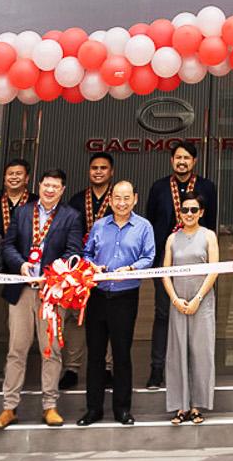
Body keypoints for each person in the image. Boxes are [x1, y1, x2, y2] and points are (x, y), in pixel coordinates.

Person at [0, 168, 81, 429]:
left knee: (50, 350)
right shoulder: (22, 212)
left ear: (62, 190)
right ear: (39, 186)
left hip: (51, 292)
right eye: (46, 185)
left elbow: (73, 252)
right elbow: (8, 245)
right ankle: (9, 408)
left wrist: (51, 274)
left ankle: (50, 406)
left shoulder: (71, 216)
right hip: (22, 290)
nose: (50, 190)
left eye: (55, 186)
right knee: (16, 349)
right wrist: (20, 264)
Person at [79, 179, 155, 426]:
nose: (122, 203)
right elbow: (86, 254)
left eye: (126, 198)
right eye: (117, 198)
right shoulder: (99, 225)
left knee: (122, 354)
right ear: (110, 200)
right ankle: (93, 409)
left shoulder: (144, 226)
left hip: (125, 296)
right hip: (98, 295)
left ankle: (122, 409)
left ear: (135, 199)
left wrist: (131, 269)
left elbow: (149, 257)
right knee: (95, 354)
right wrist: (92, 266)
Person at [141, 141, 204, 390]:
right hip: (165, 260)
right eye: (178, 157)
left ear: (194, 161)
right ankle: (157, 370)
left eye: (187, 158)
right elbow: (151, 222)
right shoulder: (159, 187)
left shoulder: (206, 187)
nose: (182, 162)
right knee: (163, 314)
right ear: (172, 160)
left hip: (196, 261)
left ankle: (191, 371)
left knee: (194, 315)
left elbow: (211, 222)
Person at [160, 192, 219, 423]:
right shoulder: (172, 239)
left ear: (201, 212)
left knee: (201, 351)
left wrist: (198, 298)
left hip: (202, 302)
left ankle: (197, 406)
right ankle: (180, 406)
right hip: (179, 302)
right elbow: (165, 273)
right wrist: (175, 299)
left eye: (194, 210)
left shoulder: (209, 236)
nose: (189, 214)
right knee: (177, 352)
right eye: (185, 210)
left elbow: (214, 270)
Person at [65, 151, 117, 393]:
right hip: (80, 268)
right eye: (94, 167)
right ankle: (71, 368)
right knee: (77, 319)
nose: (98, 171)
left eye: (103, 168)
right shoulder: (77, 200)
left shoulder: (117, 200)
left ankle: (107, 367)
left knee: (107, 318)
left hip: (107, 268)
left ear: (111, 172)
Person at [0, 159, 32, 384]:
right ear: (4, 178)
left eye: (18, 173)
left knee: (19, 328)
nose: (14, 177)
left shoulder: (35, 203)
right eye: (10, 173)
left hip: (25, 273)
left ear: (27, 178)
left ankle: (12, 373)